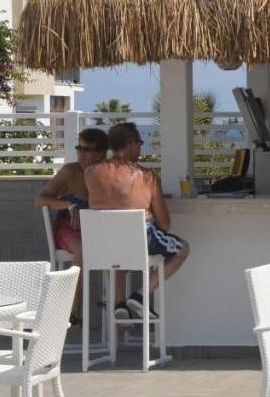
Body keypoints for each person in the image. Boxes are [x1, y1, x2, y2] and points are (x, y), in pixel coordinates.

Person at [85, 122, 190, 318]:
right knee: (183, 249)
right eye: (140, 143)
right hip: (138, 243)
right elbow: (165, 224)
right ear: (131, 144)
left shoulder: (91, 173)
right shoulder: (147, 177)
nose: (141, 148)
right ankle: (141, 295)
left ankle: (119, 303)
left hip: (103, 246)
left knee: (116, 252)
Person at [34, 127, 109, 324]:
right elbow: (40, 199)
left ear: (101, 153)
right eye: (79, 148)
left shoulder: (108, 173)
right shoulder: (70, 171)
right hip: (69, 229)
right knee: (82, 249)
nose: (81, 154)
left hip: (98, 230)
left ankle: (118, 309)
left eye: (87, 149)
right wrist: (68, 204)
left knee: (120, 248)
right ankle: (73, 312)